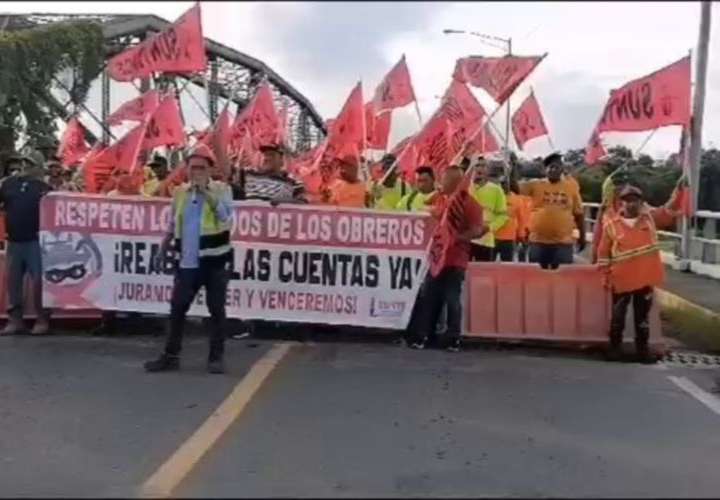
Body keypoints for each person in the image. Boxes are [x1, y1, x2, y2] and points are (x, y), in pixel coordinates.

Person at [144, 144, 233, 374]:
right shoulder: (180, 192)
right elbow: (174, 222)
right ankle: (171, 356)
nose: (197, 172)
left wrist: (207, 193)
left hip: (214, 261)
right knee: (177, 308)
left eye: (202, 168)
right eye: (193, 168)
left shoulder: (222, 189)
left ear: (210, 169)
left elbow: (226, 216)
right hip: (187, 262)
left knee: (216, 311)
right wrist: (163, 247)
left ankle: (216, 358)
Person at [597, 184, 680, 364]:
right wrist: (605, 275)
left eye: (634, 201)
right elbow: (603, 252)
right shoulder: (612, 225)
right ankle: (614, 349)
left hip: (644, 278)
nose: (630, 204)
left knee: (642, 318)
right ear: (621, 203)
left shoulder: (649, 219)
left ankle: (643, 351)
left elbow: (668, 211)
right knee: (618, 317)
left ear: (641, 203)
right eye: (627, 201)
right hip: (621, 279)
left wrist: (679, 192)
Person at [408, 165, 486, 352]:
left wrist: (456, 238)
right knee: (429, 297)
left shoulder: (470, 204)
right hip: (437, 258)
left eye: (444, 178)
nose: (440, 182)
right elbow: (426, 208)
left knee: (451, 299)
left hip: (456, 258)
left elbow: (479, 229)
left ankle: (453, 338)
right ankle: (426, 335)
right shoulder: (441, 199)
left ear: (455, 181)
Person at [0, 154, 52, 335]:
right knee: (13, 282)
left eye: (29, 163)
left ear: (39, 167)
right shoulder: (7, 184)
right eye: (23, 162)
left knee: (39, 282)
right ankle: (15, 320)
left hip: (36, 241)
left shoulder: (45, 188)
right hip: (14, 240)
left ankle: (42, 319)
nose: (24, 166)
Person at [513, 152, 586, 270]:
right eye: (550, 166)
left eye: (557, 166)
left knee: (562, 280)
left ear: (562, 168)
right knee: (537, 279)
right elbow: (515, 188)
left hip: (563, 244)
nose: (553, 169)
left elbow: (579, 214)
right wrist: (512, 168)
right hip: (538, 243)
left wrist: (582, 238)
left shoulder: (571, 187)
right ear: (545, 170)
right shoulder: (535, 184)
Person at [469, 159, 508, 261]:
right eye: (477, 165)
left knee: (483, 275)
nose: (480, 169)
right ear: (471, 168)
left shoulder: (496, 190)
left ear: (488, 170)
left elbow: (503, 216)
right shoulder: (465, 188)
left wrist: (489, 227)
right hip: (464, 241)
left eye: (483, 166)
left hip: (485, 241)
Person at [241, 143, 306, 203]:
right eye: (265, 155)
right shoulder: (249, 175)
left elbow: (303, 204)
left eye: (271, 155)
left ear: (282, 159)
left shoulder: (293, 182)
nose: (266, 158)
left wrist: (283, 202)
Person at [494, 172, 526, 262]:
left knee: (507, 265)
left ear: (509, 183)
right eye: (501, 183)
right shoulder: (493, 196)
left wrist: (521, 235)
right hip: (493, 237)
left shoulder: (517, 199)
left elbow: (521, 219)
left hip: (509, 238)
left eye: (505, 183)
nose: (503, 185)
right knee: (489, 265)